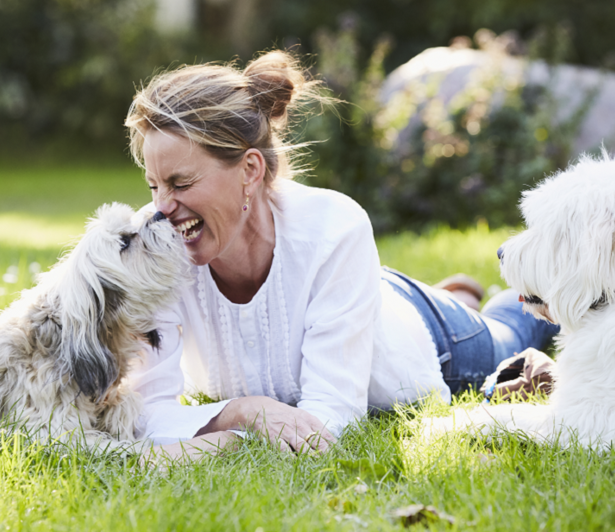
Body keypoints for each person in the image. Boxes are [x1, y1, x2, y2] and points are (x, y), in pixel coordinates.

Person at [124, 51, 559, 460]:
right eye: (153, 186)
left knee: (510, 332)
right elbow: (142, 414)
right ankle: (457, 293)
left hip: (429, 339)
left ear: (250, 171)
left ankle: (482, 302)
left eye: (180, 184)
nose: (161, 207)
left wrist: (221, 431)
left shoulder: (333, 227)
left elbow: (329, 423)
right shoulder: (154, 243)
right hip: (354, 295)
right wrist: (240, 411)